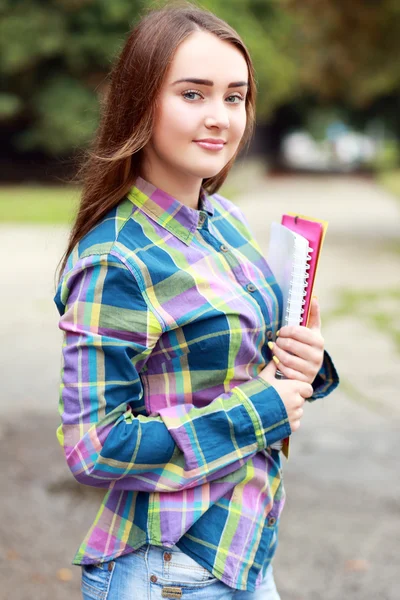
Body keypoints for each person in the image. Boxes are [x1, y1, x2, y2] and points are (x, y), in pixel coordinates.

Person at [53, 2, 339, 599]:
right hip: (169, 572)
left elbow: (241, 366)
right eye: (193, 94)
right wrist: (258, 413)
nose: (219, 118)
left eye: (234, 97)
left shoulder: (224, 220)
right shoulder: (116, 261)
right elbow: (93, 447)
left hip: (246, 556)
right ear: (141, 102)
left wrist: (306, 363)